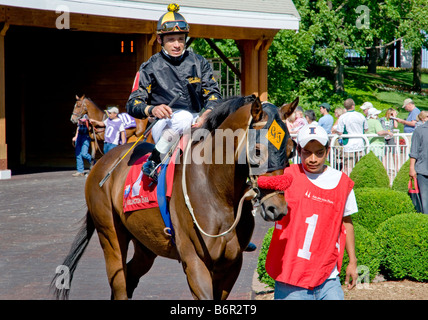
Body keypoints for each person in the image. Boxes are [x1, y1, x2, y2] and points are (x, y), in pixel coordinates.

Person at [257, 124, 358, 300]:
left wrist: (353, 261)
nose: (313, 159)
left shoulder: (342, 182)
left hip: (328, 277)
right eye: (306, 152)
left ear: (327, 150)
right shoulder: (285, 176)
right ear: (298, 150)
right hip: (291, 277)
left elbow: (346, 222)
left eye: (319, 152)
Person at [125, 3, 221, 180]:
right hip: (163, 124)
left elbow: (214, 94)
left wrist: (208, 112)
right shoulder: (149, 67)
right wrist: (152, 110)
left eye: (181, 39)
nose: (177, 45)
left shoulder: (200, 63)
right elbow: (133, 103)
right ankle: (154, 161)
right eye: (171, 40)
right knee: (183, 117)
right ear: (160, 39)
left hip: (197, 120)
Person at [336, 98, 368, 175]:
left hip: (348, 145)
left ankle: (348, 184)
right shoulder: (360, 115)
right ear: (353, 106)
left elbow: (340, 132)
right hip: (360, 144)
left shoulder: (342, 117)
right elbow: (366, 129)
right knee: (359, 166)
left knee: (348, 167)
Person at [409, 118, 428, 214]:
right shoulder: (419, 130)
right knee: (425, 204)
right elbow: (414, 152)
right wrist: (412, 168)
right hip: (423, 171)